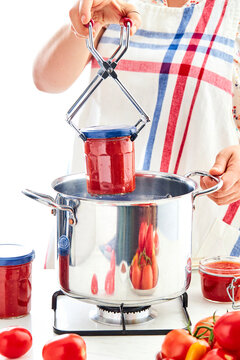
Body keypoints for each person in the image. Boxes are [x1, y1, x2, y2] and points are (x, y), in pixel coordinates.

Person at [33, 0, 240, 266]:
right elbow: (46, 78)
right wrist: (87, 23)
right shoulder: (116, 3)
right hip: (99, 221)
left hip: (196, 226)